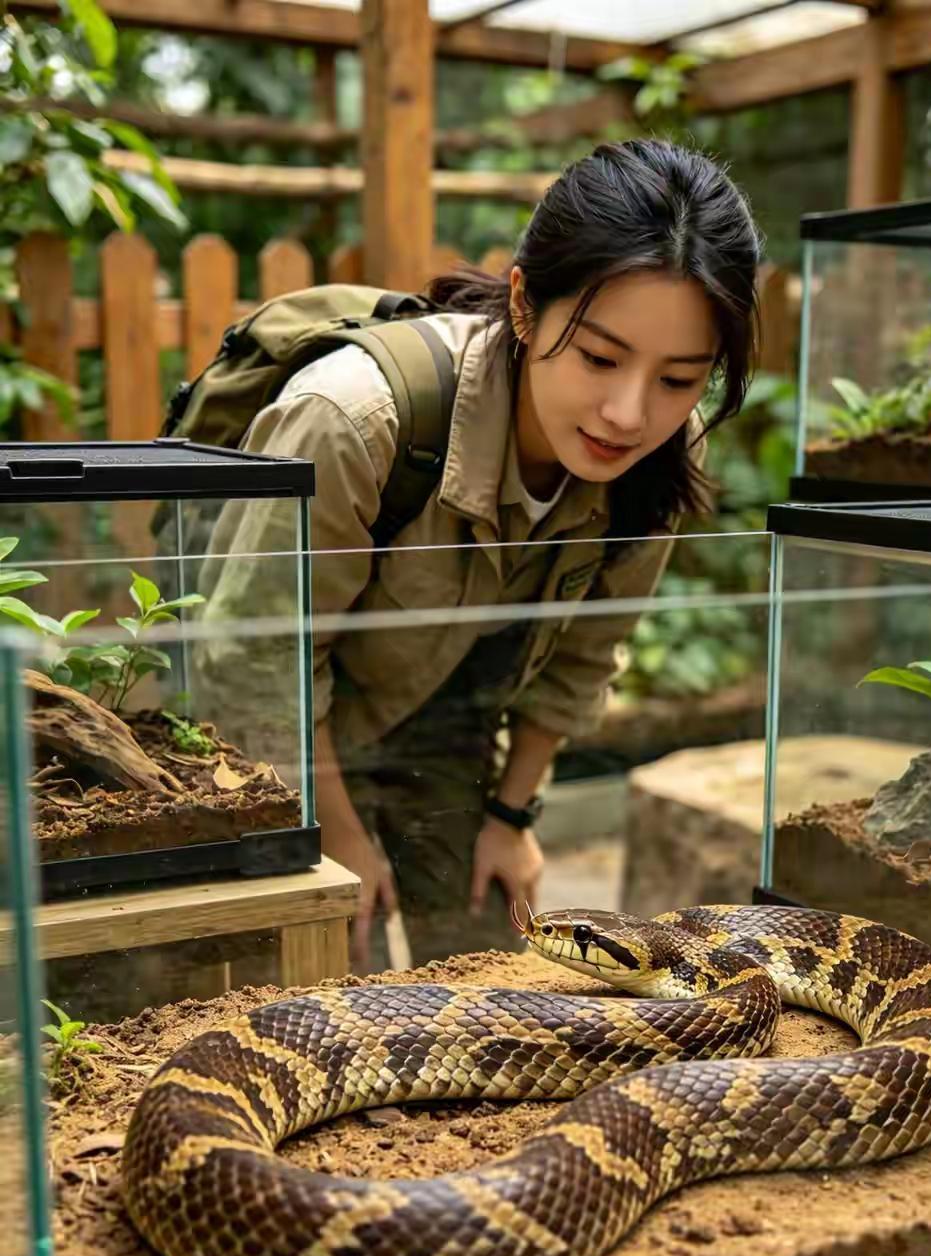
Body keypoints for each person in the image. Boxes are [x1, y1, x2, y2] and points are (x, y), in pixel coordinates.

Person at [204, 138, 761, 971]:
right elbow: (254, 663)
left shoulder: (663, 455)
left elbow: (587, 651)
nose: (627, 413)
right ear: (526, 306)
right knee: (314, 979)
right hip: (274, 749)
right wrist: (341, 837)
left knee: (502, 973)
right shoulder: (354, 420)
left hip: (448, 740)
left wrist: (512, 818)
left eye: (680, 379)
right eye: (601, 357)